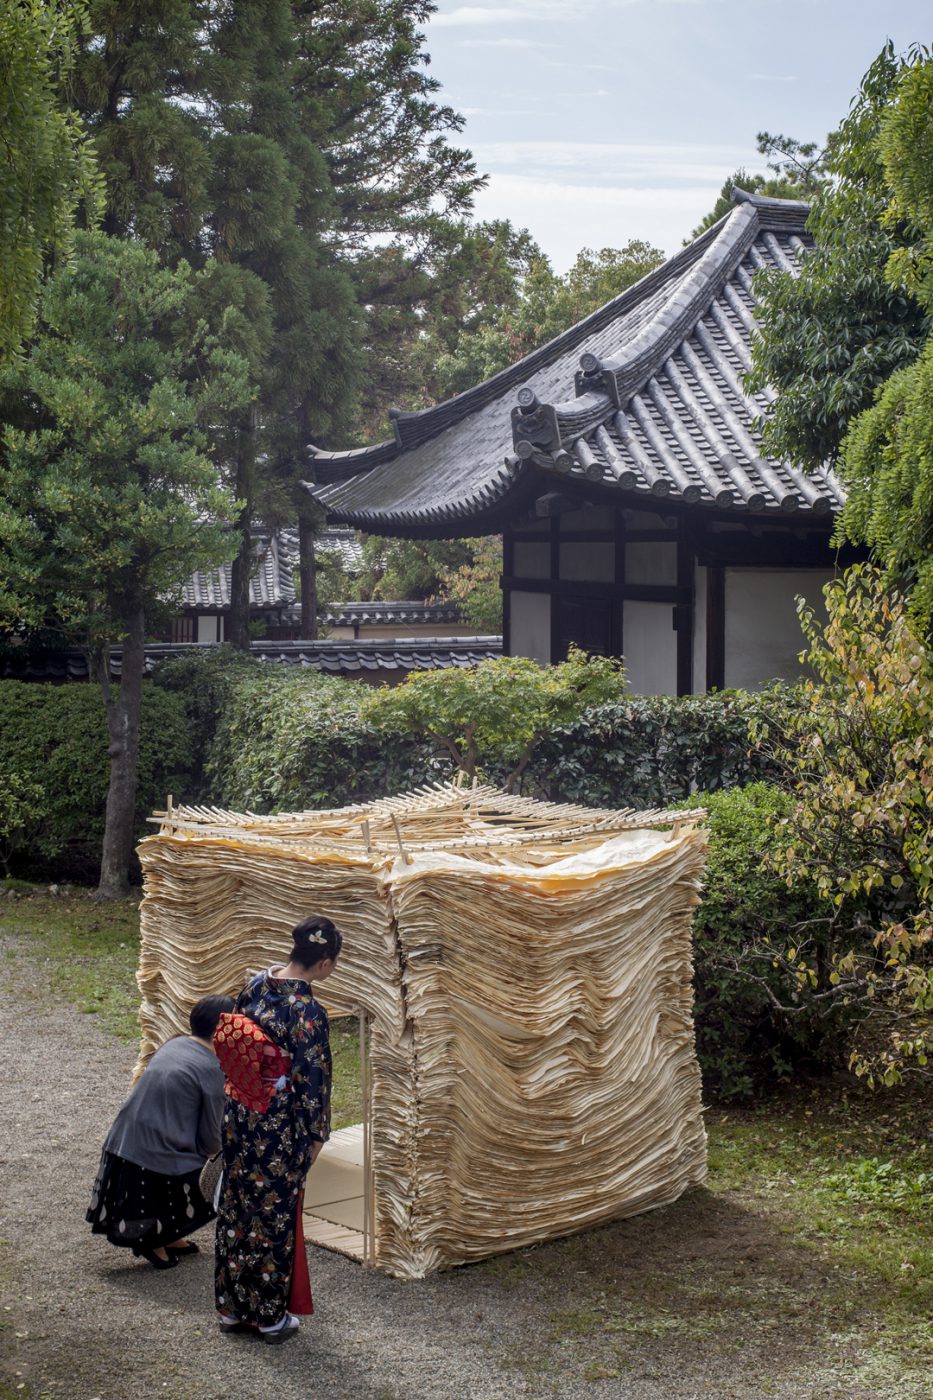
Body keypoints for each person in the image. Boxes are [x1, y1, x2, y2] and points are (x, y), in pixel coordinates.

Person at [215, 914, 341, 1345]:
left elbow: (235, 1040)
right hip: (277, 1128)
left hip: (239, 1112)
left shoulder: (254, 984)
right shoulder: (307, 1012)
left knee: (236, 1207)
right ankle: (269, 1317)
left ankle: (232, 1308)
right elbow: (314, 1083)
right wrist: (316, 1136)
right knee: (273, 1215)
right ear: (324, 963)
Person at [87, 994, 234, 1269]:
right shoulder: (213, 1069)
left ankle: (169, 1235)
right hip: (154, 1148)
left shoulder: (177, 1043)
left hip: (126, 1136)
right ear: (222, 1031)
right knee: (216, 1180)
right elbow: (210, 1137)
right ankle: (152, 1242)